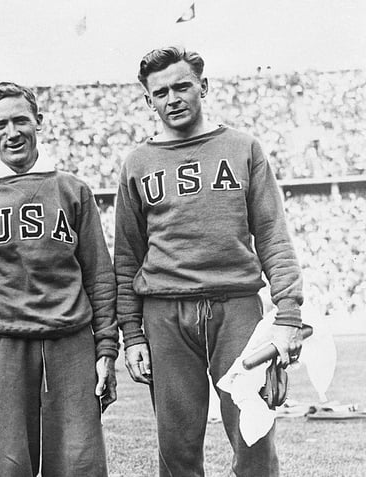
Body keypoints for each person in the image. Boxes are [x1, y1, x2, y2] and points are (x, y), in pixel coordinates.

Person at [114, 46, 304, 477]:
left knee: (254, 439)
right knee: (176, 449)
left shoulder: (242, 147)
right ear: (148, 100)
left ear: (203, 86)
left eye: (182, 86)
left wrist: (289, 313)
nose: (172, 98)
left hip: (236, 308)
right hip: (164, 312)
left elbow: (273, 234)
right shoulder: (137, 163)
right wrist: (131, 334)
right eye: (160, 92)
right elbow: (126, 258)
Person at [0, 82, 118, 477]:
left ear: (38, 122)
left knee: (80, 467)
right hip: (1, 346)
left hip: (70, 342)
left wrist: (106, 350)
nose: (12, 132)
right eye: (0, 124)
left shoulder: (73, 191)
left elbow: (100, 277)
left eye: (21, 120)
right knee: (8, 468)